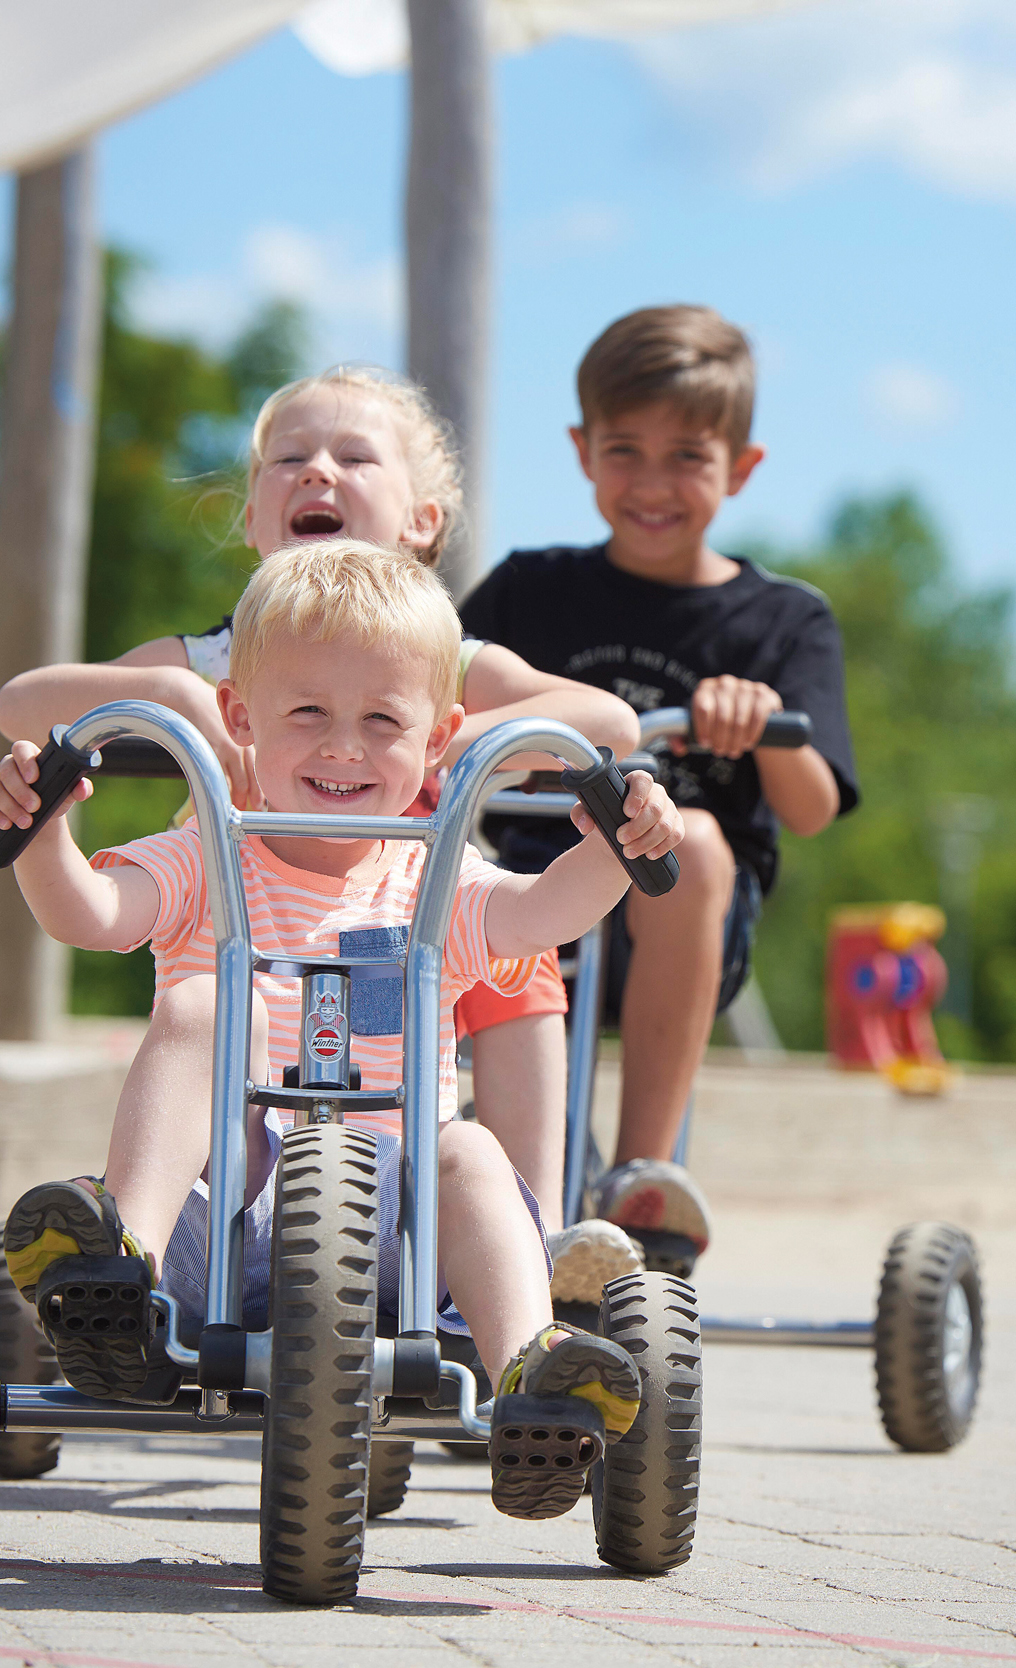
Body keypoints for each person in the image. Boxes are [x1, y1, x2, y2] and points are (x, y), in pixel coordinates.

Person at [0, 541, 682, 1519]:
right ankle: (127, 1277)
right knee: (200, 1006)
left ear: (438, 737)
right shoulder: (208, 855)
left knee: (472, 1151)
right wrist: (41, 835)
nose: (343, 748)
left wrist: (621, 845)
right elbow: (90, 916)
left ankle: (534, 1370)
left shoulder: (433, 877)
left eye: (380, 721)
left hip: (404, 1246)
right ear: (239, 718)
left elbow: (543, 914)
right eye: (309, 713)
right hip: (223, 1224)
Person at [0, 366, 643, 1303]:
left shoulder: (442, 657)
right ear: (253, 516)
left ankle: (531, 1246)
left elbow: (608, 726)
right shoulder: (219, 658)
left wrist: (451, 751)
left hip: (415, 894)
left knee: (513, 976)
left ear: (421, 519)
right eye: (289, 459)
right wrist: (170, 705)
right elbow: (24, 703)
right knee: (210, 1006)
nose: (318, 474)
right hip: (247, 885)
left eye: (353, 457)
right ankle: (121, 1272)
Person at [461, 305, 860, 1276]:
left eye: (687, 456)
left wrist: (762, 724)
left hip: (679, 933)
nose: (651, 483)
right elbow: (431, 709)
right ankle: (514, 1229)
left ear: (742, 468)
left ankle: (642, 1176)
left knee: (700, 841)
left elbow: (811, 809)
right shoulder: (528, 592)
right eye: (624, 451)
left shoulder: (780, 621)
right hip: (528, 908)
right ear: (582, 451)